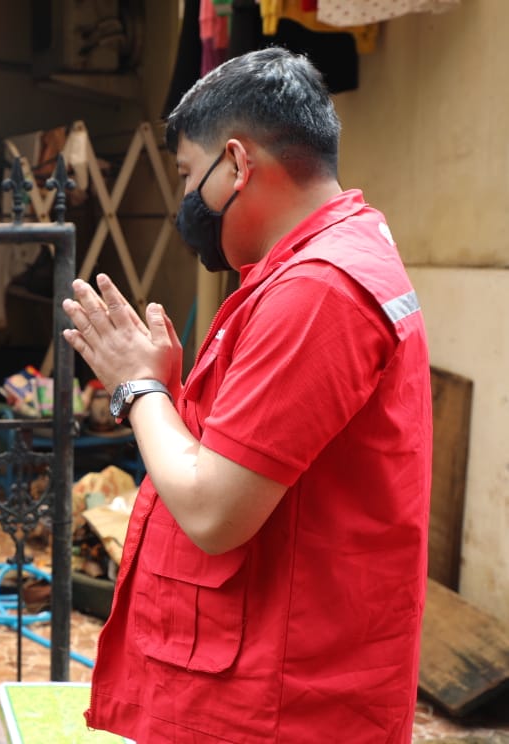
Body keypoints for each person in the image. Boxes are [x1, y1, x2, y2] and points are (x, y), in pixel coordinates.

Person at [62, 47, 431, 743]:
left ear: (236, 163)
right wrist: (170, 394)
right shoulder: (322, 262)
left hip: (277, 703)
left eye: (185, 174)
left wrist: (136, 389)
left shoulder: (318, 290)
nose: (185, 201)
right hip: (266, 671)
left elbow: (213, 511)